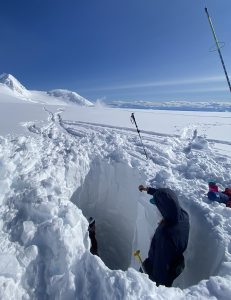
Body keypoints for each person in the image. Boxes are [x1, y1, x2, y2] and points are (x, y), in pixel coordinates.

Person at [138, 185, 190, 287]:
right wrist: (148, 190)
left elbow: (161, 265)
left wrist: (154, 285)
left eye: (157, 205)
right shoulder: (183, 215)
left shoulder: (165, 234)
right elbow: (167, 198)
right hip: (176, 262)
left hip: (162, 270)